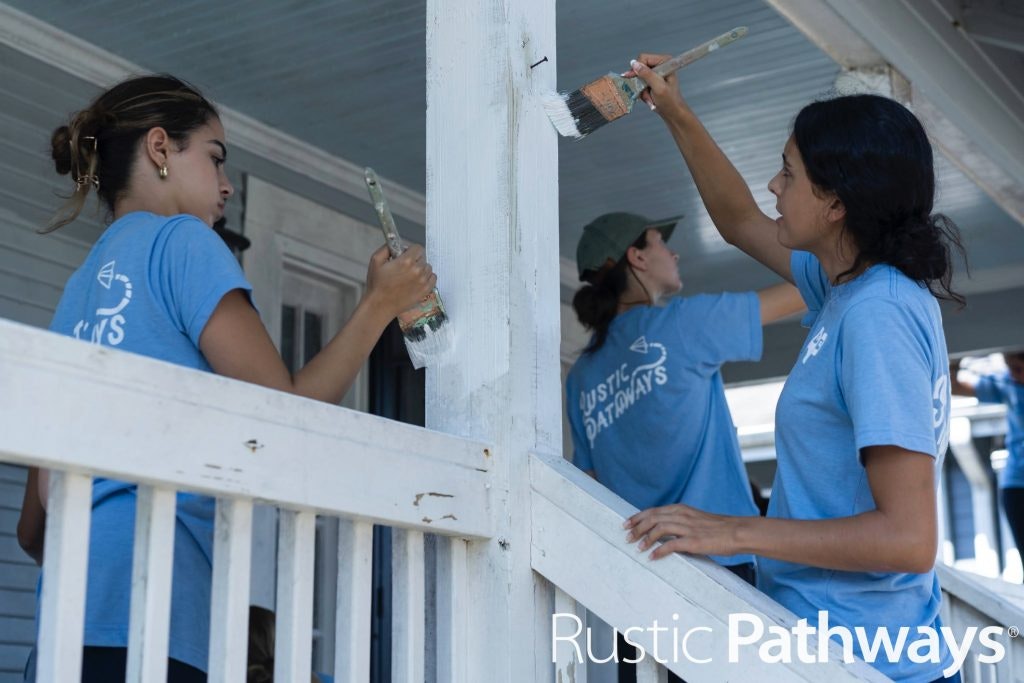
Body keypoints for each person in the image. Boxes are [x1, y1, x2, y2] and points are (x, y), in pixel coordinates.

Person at [17, 74, 436, 682]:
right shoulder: (181, 240)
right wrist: (378, 304)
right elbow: (284, 415)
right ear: (160, 148)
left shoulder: (78, 290)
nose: (224, 186)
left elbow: (34, 529)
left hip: (60, 633)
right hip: (158, 623)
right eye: (214, 158)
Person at [620, 56, 966, 682]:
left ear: (835, 203)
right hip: (833, 647)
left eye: (788, 172)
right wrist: (674, 111)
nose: (774, 186)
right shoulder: (850, 289)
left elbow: (907, 540)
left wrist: (734, 532)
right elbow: (738, 221)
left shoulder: (876, 314)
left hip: (861, 660)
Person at [565, 211, 804, 681]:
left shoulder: (581, 378)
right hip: (719, 569)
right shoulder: (679, 325)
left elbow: (589, 481)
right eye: (661, 243)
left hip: (638, 582)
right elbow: (808, 287)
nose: (674, 253)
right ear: (637, 257)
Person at [951, 352, 1024, 569]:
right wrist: (958, 357)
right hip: (1016, 483)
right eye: (1009, 367)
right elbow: (954, 386)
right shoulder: (1006, 384)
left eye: (1018, 368)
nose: (1013, 373)